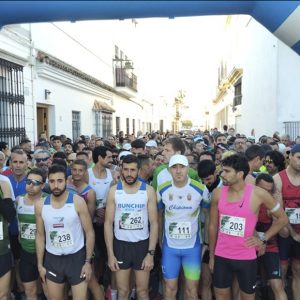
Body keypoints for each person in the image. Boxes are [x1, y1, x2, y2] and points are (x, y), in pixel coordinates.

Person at [209, 154, 288, 300]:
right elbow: (213, 226)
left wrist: (263, 238)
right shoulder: (218, 194)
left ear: (239, 174)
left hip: (246, 257)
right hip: (222, 255)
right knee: (220, 295)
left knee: (247, 297)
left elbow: (282, 218)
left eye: (227, 171)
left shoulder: (259, 194)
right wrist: (212, 256)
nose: (222, 174)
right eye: (222, 170)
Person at [35, 164, 95, 300]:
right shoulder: (40, 205)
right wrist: (40, 264)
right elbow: (39, 236)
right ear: (47, 182)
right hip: (53, 259)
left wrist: (87, 262)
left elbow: (90, 233)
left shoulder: (78, 202)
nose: (56, 185)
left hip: (76, 258)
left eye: (60, 181)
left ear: (66, 181)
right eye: (52, 181)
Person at [104, 155, 158, 300]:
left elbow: (154, 223)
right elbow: (108, 223)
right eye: (126, 170)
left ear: (139, 171)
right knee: (123, 290)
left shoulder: (148, 191)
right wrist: (110, 254)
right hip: (121, 246)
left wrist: (150, 254)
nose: (129, 174)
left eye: (132, 170)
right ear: (121, 170)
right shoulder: (114, 191)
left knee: (142, 291)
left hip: (142, 245)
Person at [157, 155, 210, 300]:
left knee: (191, 291)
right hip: (170, 249)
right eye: (174, 167)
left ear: (188, 168)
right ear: (169, 170)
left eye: (182, 167)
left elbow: (209, 215)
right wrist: (159, 240)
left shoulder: (200, 189)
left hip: (192, 249)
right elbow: (159, 215)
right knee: (169, 290)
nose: (178, 171)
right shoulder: (162, 189)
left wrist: (206, 242)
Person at [273, 144, 300, 300]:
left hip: (299, 234)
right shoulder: (278, 179)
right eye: (298, 158)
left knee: (297, 271)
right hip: (284, 232)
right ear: (290, 156)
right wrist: (293, 234)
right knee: (282, 272)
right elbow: (279, 213)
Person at [255, 173, 287, 300]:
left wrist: (274, 215)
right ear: (255, 186)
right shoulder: (248, 201)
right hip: (249, 246)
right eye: (263, 190)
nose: (266, 194)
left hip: (270, 246)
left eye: (269, 190)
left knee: (277, 285)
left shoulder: (272, 204)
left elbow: (284, 232)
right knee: (245, 286)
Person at [16, 168, 46, 300]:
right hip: (26, 252)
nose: (31, 185)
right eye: (28, 181)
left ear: (43, 185)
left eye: (36, 182)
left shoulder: (48, 201)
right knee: (29, 291)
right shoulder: (19, 200)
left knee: (50, 292)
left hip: (46, 254)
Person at [0, 180, 16, 300]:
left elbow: (10, 215)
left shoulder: (3, 184)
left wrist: (5, 193)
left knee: (3, 295)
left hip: (2, 249)